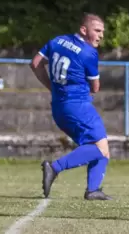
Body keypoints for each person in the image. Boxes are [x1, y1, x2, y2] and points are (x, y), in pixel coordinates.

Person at [30, 13, 112, 200]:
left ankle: (93, 190)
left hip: (59, 107)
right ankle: (55, 167)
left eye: (102, 32)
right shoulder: (89, 52)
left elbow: (35, 64)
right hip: (78, 106)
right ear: (84, 30)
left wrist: (52, 87)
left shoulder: (57, 41)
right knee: (100, 148)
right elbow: (96, 87)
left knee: (99, 146)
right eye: (97, 31)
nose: (100, 36)